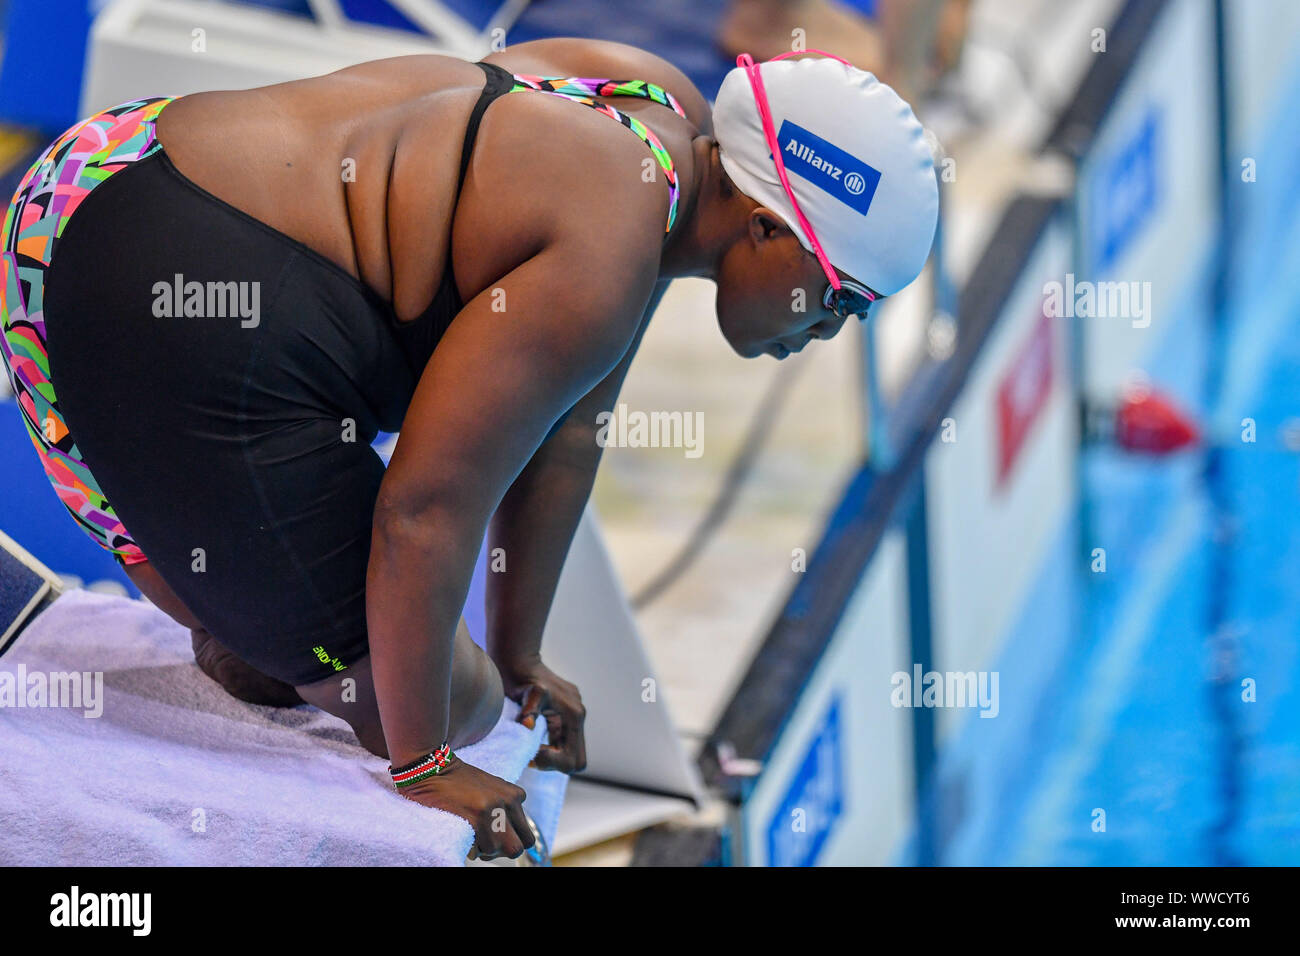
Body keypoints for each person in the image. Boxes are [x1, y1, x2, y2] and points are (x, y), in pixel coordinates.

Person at [0, 37, 937, 858]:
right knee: (456, 700)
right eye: (841, 299)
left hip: (87, 183)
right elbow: (422, 510)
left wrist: (523, 653)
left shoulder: (650, 109)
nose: (830, 332)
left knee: (277, 661)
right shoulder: (607, 247)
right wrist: (425, 760)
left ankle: (262, 610)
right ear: (770, 228)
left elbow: (569, 433)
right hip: (163, 301)